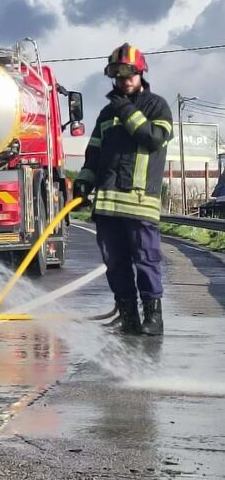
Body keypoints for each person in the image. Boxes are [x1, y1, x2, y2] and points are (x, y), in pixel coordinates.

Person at [73, 44, 173, 335]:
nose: (124, 79)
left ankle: (153, 316)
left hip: (140, 203)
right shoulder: (106, 114)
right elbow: (93, 155)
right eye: (118, 74)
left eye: (130, 74)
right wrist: (83, 182)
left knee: (146, 259)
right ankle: (128, 313)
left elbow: (153, 139)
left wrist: (126, 109)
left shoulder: (156, 106)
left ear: (141, 73)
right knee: (115, 263)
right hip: (107, 206)